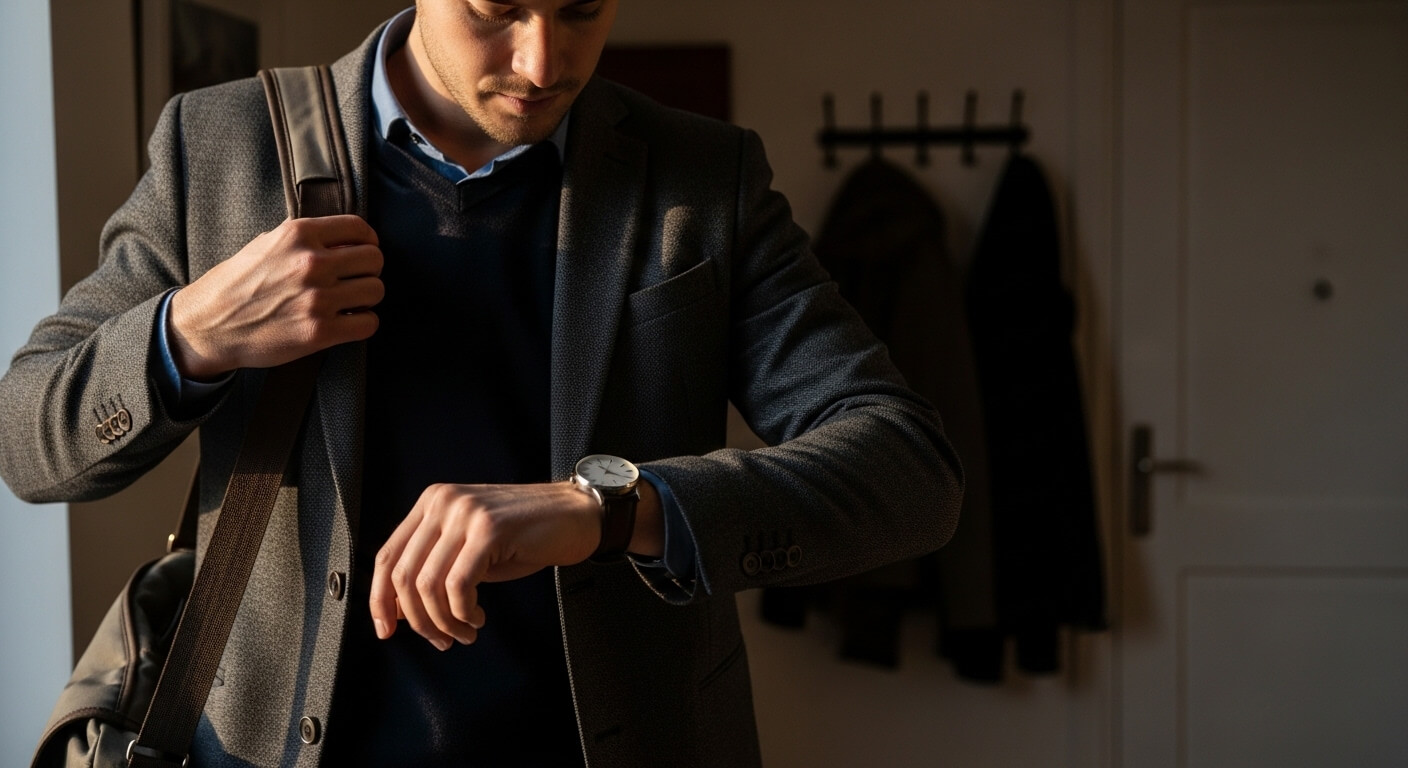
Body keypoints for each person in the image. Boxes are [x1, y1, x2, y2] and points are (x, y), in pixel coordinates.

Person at [0, 1, 963, 765]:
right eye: (498, 8)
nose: (545, 62)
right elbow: (27, 441)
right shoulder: (217, 146)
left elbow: (910, 473)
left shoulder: (704, 178)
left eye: (582, 9)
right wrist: (193, 331)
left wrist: (609, 507)